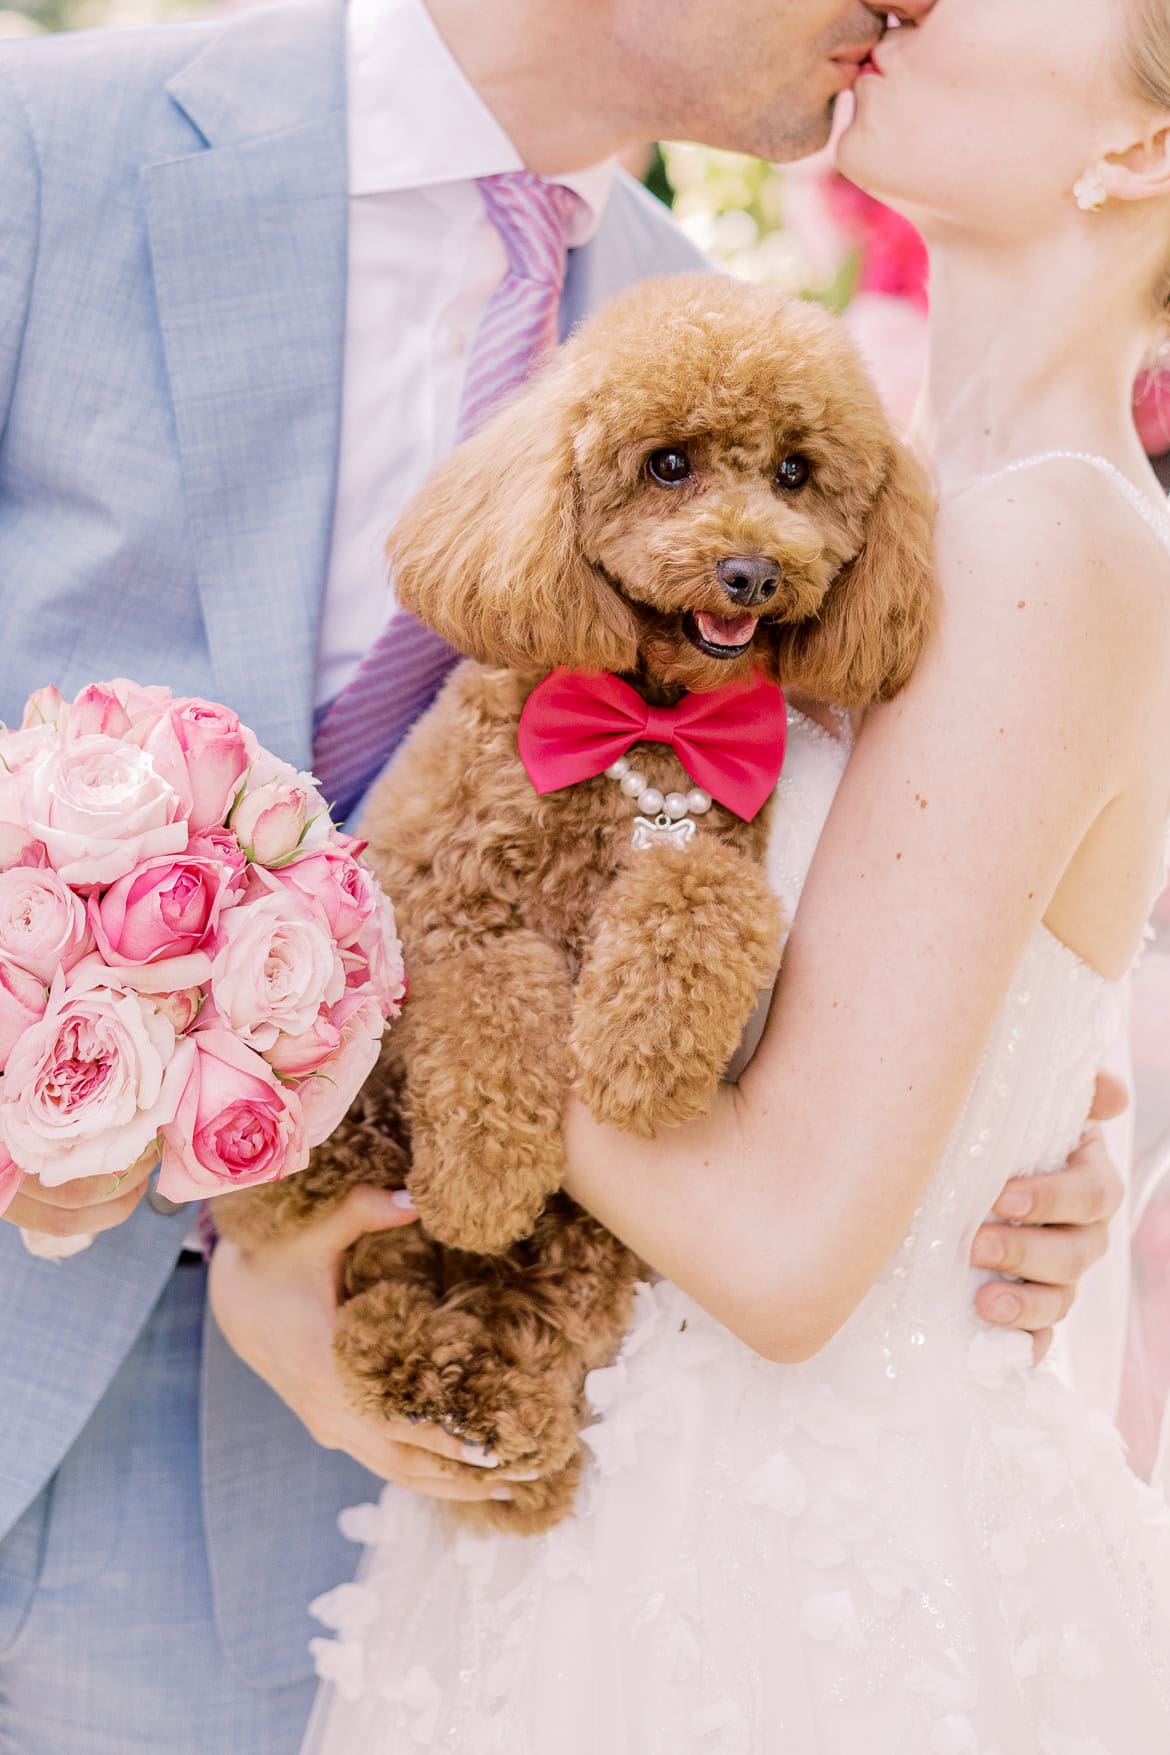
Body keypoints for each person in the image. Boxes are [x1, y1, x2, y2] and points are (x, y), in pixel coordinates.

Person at [0, 1, 1123, 1751]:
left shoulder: (716, 371)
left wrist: (993, 1119)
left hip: (358, 1476)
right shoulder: (48, 149)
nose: (903, 3)